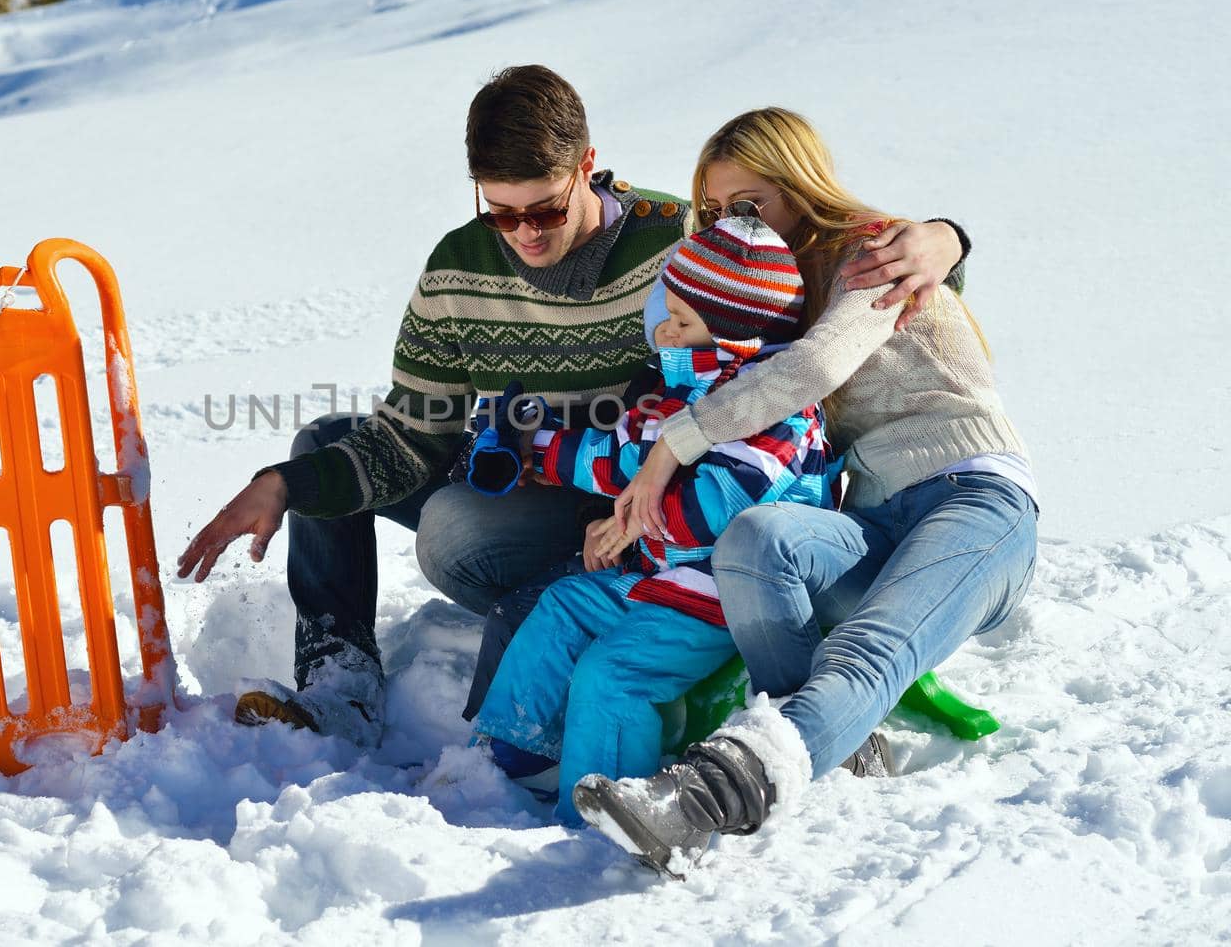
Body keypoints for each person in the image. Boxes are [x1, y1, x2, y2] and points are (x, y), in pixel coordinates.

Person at [174, 67, 968, 746]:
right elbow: (413, 433)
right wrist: (286, 482)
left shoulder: (679, 239)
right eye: (501, 212)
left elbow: (799, 277)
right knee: (322, 443)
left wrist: (944, 242)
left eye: (545, 209)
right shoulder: (459, 269)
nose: (523, 232)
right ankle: (339, 683)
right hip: (529, 457)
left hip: (634, 492)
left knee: (455, 529)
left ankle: (594, 620)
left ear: (587, 166)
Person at [572, 107, 1038, 876]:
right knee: (757, 538)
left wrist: (674, 447)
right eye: (717, 210)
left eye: (751, 203)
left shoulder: (869, 254)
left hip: (976, 499)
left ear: (799, 185)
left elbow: (814, 371)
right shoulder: (767, 291)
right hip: (874, 517)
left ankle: (701, 800)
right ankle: (841, 747)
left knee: (866, 647)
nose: (733, 223)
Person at [471, 217, 834, 825]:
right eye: (669, 311)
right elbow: (618, 461)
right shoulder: (670, 397)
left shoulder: (778, 414)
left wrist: (633, 519)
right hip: (658, 582)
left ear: (737, 335)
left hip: (721, 596)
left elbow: (716, 508)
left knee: (614, 674)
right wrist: (539, 450)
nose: (664, 328)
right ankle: (514, 750)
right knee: (560, 605)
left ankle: (602, 810)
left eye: (684, 321)